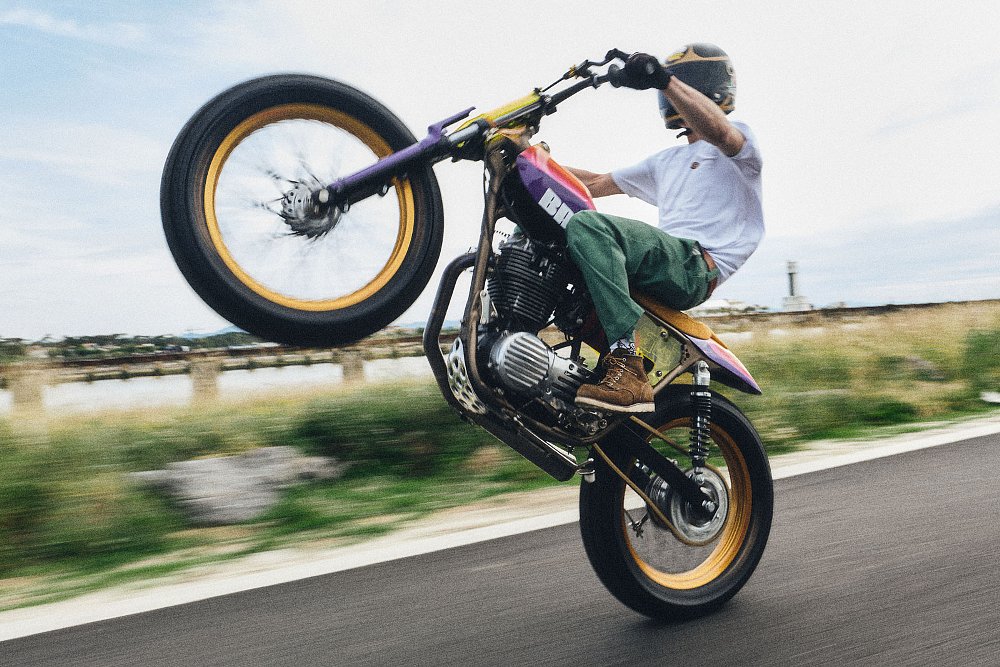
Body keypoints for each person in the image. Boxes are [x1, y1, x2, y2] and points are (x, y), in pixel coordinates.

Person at [565, 43, 764, 414]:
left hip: (693, 265)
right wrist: (528, 155)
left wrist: (663, 78)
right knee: (558, 236)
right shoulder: (667, 161)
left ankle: (629, 365)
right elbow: (591, 184)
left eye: (675, 85)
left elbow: (720, 133)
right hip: (666, 263)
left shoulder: (738, 143)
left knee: (589, 228)